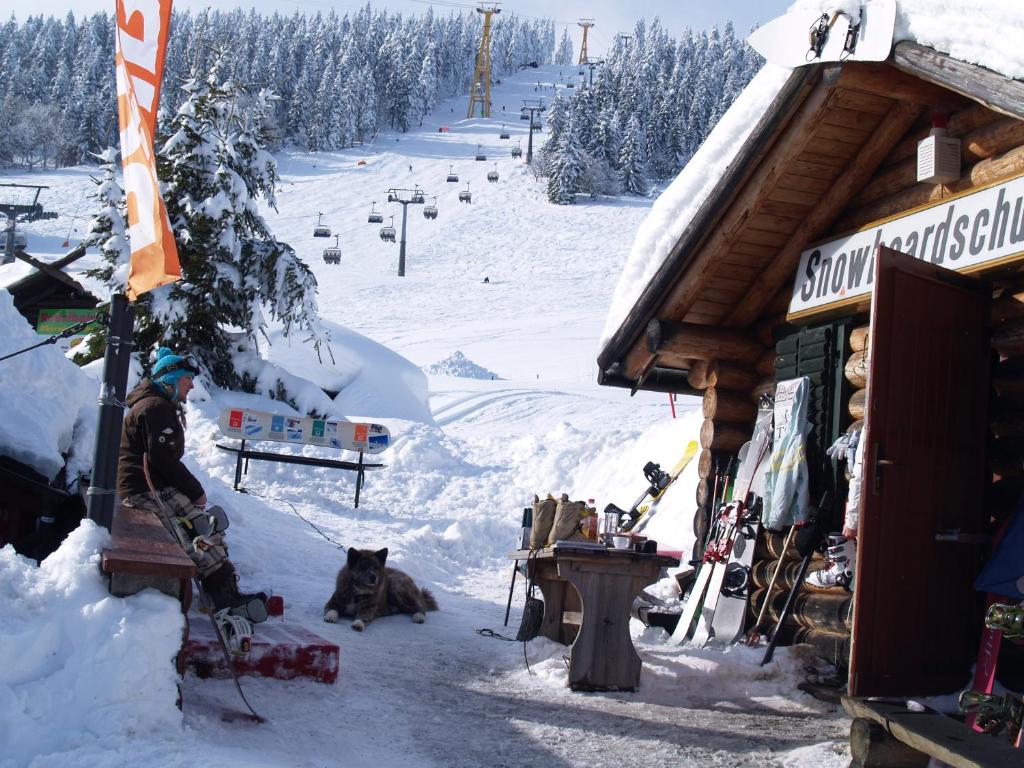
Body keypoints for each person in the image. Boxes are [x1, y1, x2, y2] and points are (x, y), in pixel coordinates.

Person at [117, 347, 268, 623]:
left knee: (205, 526)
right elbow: (162, 459)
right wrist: (195, 491)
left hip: (152, 487)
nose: (191, 385)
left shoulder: (156, 405)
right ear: (171, 379)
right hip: (144, 490)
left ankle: (224, 591)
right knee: (194, 537)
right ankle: (223, 598)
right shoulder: (155, 408)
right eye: (187, 378)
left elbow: (162, 460)